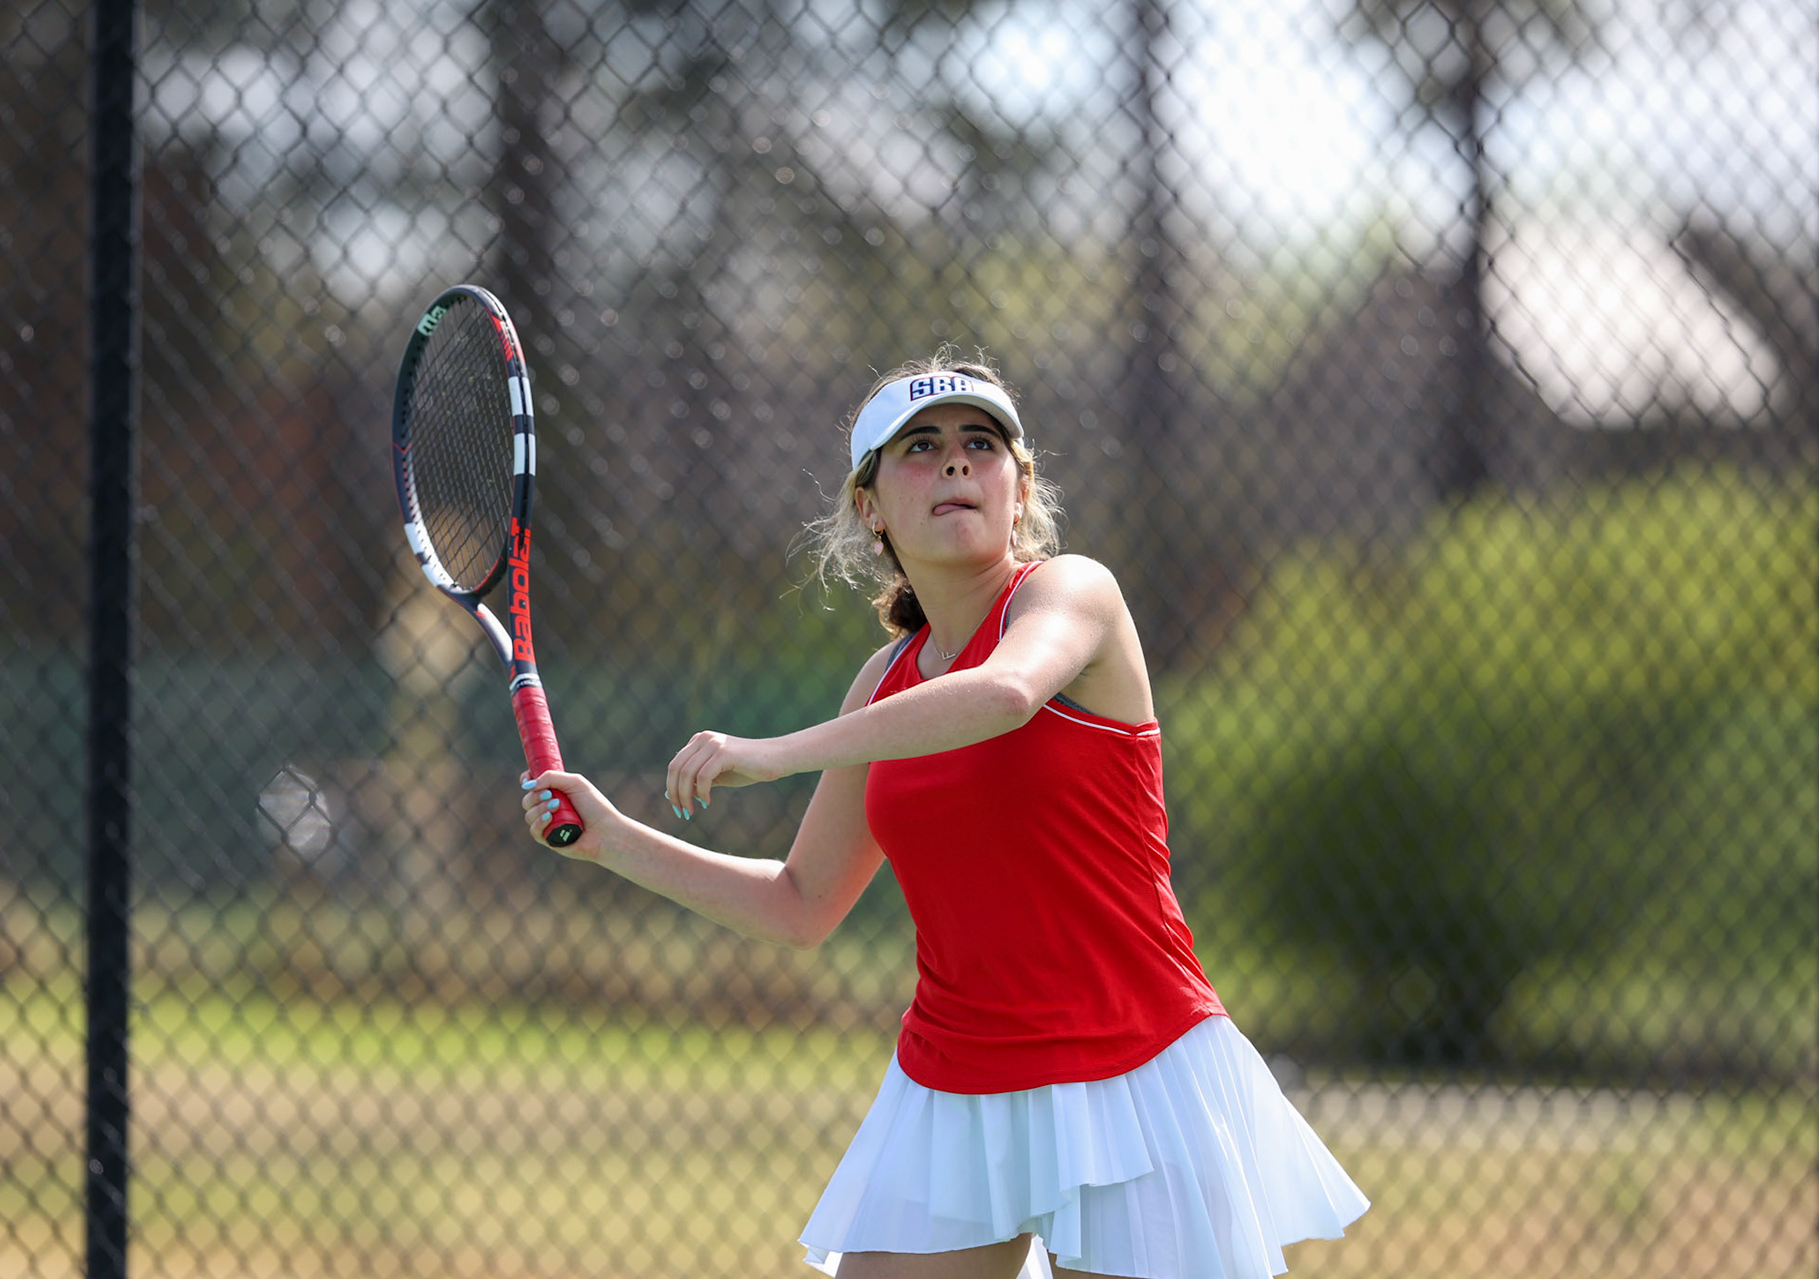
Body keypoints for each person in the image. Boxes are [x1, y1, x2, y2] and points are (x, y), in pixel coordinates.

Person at [521, 352, 1369, 1279]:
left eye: (980, 444)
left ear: (1021, 485)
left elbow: (1004, 693)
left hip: (1136, 1058)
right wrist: (612, 840)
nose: (955, 464)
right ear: (871, 506)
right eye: (919, 449)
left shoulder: (1073, 594)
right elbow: (802, 901)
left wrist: (772, 752)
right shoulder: (881, 685)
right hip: (954, 1080)